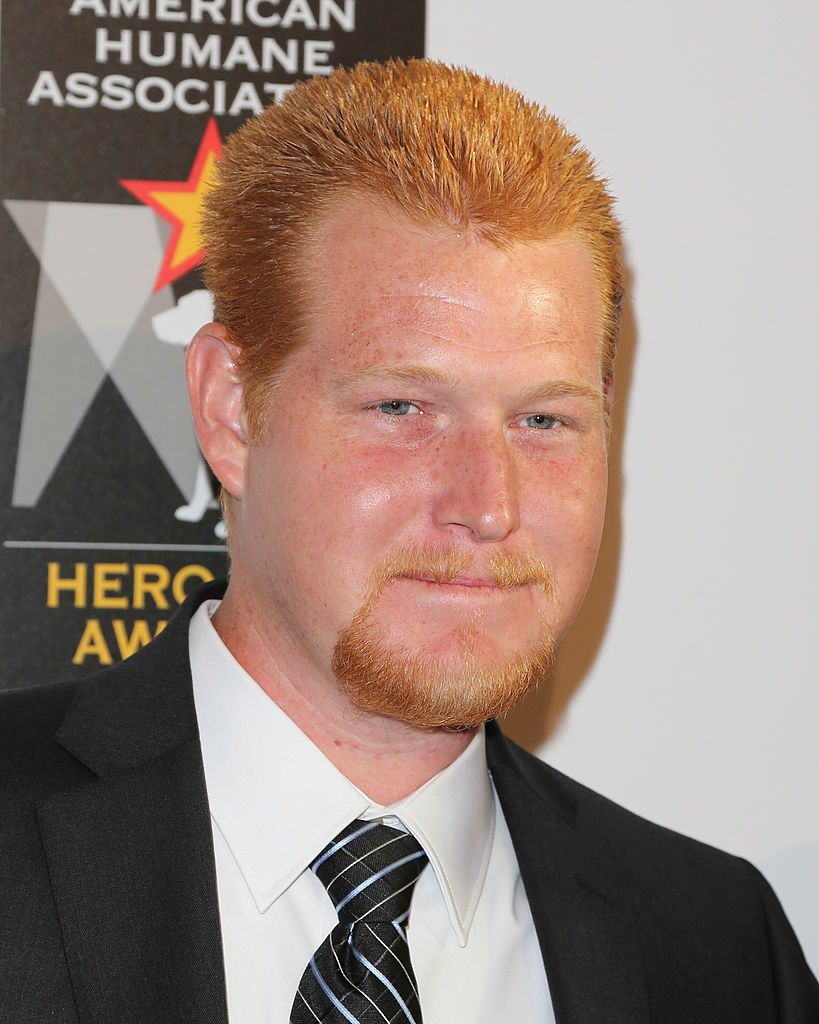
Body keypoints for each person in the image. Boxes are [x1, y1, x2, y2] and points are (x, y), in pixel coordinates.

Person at [1, 59, 816, 1024]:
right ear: (229, 412)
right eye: (402, 407)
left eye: (544, 422)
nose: (487, 504)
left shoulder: (715, 948)